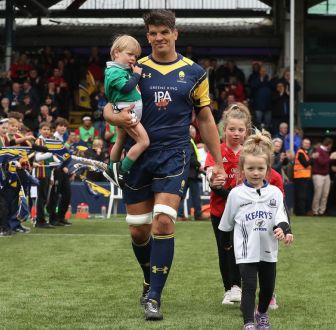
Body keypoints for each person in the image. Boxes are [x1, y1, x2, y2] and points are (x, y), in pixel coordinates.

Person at [103, 9, 226, 321]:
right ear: (147, 37)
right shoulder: (135, 67)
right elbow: (109, 104)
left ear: (175, 34)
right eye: (153, 33)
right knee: (138, 231)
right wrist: (113, 116)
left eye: (164, 32)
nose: (159, 38)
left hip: (174, 154)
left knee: (163, 223)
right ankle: (148, 278)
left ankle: (155, 296)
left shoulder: (195, 72)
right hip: (139, 154)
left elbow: (206, 118)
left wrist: (219, 163)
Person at [218, 132, 293, 330]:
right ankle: (249, 323)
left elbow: (281, 217)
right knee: (249, 286)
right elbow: (226, 224)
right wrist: (226, 244)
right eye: (250, 168)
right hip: (245, 250)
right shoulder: (236, 194)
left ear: (267, 169)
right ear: (242, 169)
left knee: (267, 288)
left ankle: (261, 313)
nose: (256, 172)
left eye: (260, 168)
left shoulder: (275, 193)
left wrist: (282, 229)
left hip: (268, 249)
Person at [205, 103, 250, 305]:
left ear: (246, 131)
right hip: (220, 212)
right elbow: (212, 181)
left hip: (244, 213)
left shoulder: (249, 153)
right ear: (224, 129)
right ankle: (228, 289)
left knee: (242, 251)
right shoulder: (217, 151)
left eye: (240, 130)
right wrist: (213, 180)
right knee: (224, 250)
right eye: (232, 129)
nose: (236, 133)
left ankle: (239, 287)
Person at [104, 34, 150, 186]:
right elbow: (126, 87)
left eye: (135, 56)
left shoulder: (121, 69)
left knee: (121, 140)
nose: (133, 59)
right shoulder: (114, 71)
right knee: (143, 141)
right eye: (129, 54)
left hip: (126, 109)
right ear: (117, 52)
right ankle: (122, 171)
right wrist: (136, 74)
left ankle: (111, 169)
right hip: (126, 111)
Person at [311, 137, 336, 216]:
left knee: (325, 194)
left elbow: (326, 163)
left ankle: (322, 211)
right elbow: (321, 162)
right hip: (318, 175)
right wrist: (331, 158)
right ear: (329, 144)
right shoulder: (319, 150)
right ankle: (315, 211)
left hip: (326, 175)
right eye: (331, 145)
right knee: (318, 194)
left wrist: (332, 159)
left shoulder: (326, 151)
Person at [293, 138, 312, 216]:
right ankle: (301, 213)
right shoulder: (300, 152)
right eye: (305, 143)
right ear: (302, 144)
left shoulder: (305, 152)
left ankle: (301, 212)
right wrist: (313, 158)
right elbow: (305, 164)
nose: (307, 145)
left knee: (302, 196)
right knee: (301, 196)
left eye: (308, 143)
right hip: (300, 177)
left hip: (303, 177)